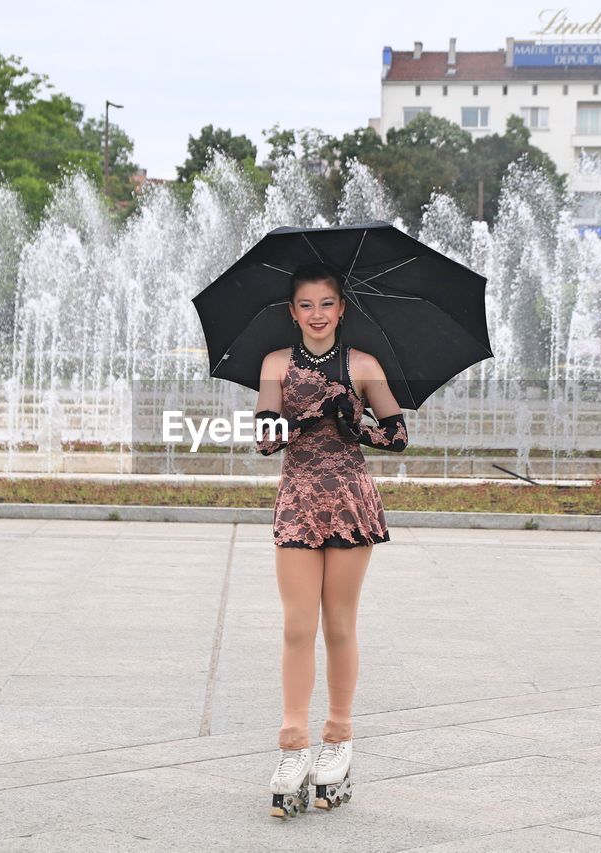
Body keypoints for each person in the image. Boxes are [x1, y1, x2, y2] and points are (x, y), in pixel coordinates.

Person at [254, 261, 408, 819]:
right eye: (306, 305)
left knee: (339, 623)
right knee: (298, 624)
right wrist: (309, 417)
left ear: (342, 309)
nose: (317, 315)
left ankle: (338, 739)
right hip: (298, 501)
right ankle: (293, 744)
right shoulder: (275, 365)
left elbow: (398, 434)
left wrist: (358, 426)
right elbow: (265, 439)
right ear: (291, 312)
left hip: (348, 501)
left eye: (326, 304)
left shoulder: (363, 365)